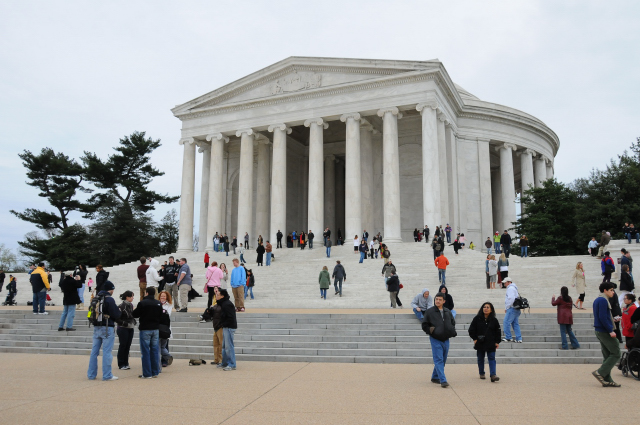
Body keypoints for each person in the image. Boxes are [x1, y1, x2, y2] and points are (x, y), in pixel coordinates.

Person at [87, 281, 121, 381]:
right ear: (110, 289)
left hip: (96, 326)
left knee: (94, 352)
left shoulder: (96, 298)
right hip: (107, 327)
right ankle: (107, 375)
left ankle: (91, 375)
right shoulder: (109, 299)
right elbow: (116, 314)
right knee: (107, 352)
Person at [421, 292, 456, 387]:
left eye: (440, 299)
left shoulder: (447, 311)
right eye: (436, 299)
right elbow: (424, 325)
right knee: (438, 359)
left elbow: (452, 322)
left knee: (443, 359)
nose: (438, 301)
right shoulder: (430, 311)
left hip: (446, 339)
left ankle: (435, 377)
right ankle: (443, 380)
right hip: (435, 338)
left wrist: (451, 330)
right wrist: (431, 331)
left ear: (444, 301)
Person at [592, 282, 622, 387]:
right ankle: (600, 372)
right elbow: (602, 317)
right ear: (605, 290)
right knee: (616, 353)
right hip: (604, 330)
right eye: (611, 290)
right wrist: (610, 329)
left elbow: (602, 317)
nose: (613, 292)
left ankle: (607, 378)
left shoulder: (598, 299)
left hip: (600, 329)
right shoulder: (603, 300)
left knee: (607, 355)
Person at [132, 287, 163, 379]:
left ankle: (147, 373)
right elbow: (161, 315)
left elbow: (135, 314)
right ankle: (155, 372)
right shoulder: (158, 303)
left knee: (145, 351)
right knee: (154, 351)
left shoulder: (142, 303)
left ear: (147, 293)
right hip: (155, 329)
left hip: (145, 328)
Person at [468, 302, 501, 382]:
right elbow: (471, 330)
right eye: (484, 307)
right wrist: (475, 339)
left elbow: (498, 331)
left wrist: (497, 342)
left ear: (491, 310)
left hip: (491, 342)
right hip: (480, 342)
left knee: (492, 358)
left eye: (488, 307)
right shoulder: (477, 318)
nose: (485, 308)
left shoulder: (494, 320)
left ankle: (493, 375)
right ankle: (481, 373)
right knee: (480, 358)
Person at [216, 288, 238, 371]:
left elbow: (230, 316)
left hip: (229, 327)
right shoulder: (223, 303)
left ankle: (232, 364)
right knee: (224, 346)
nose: (216, 296)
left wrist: (224, 323)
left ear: (222, 296)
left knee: (229, 346)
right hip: (226, 326)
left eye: (218, 295)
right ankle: (224, 363)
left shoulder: (227, 304)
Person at [116, 290, 136, 370]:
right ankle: (121, 363)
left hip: (130, 327)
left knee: (128, 346)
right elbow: (117, 318)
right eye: (131, 296)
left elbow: (132, 315)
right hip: (123, 328)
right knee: (123, 345)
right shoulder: (121, 306)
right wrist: (125, 324)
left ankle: (126, 362)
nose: (133, 298)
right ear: (127, 297)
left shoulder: (131, 305)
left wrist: (133, 322)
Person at [502, 278, 522, 343]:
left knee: (506, 322)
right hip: (516, 309)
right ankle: (518, 338)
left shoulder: (510, 288)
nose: (504, 284)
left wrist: (507, 307)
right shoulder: (514, 288)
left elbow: (511, 298)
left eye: (505, 282)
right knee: (515, 323)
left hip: (512, 308)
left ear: (509, 282)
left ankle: (508, 337)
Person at [208, 286, 224, 365]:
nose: (216, 296)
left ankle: (221, 359)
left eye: (218, 295)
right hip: (215, 325)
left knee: (221, 344)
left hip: (220, 326)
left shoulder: (223, 305)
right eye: (216, 295)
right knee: (215, 344)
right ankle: (216, 359)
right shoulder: (216, 304)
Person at [158, 290, 173, 368]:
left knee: (165, 344)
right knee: (159, 344)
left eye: (164, 296)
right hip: (158, 326)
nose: (162, 298)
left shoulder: (169, 305)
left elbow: (168, 314)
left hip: (165, 327)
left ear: (167, 297)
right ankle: (159, 360)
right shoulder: (157, 304)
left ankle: (165, 360)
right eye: (161, 296)